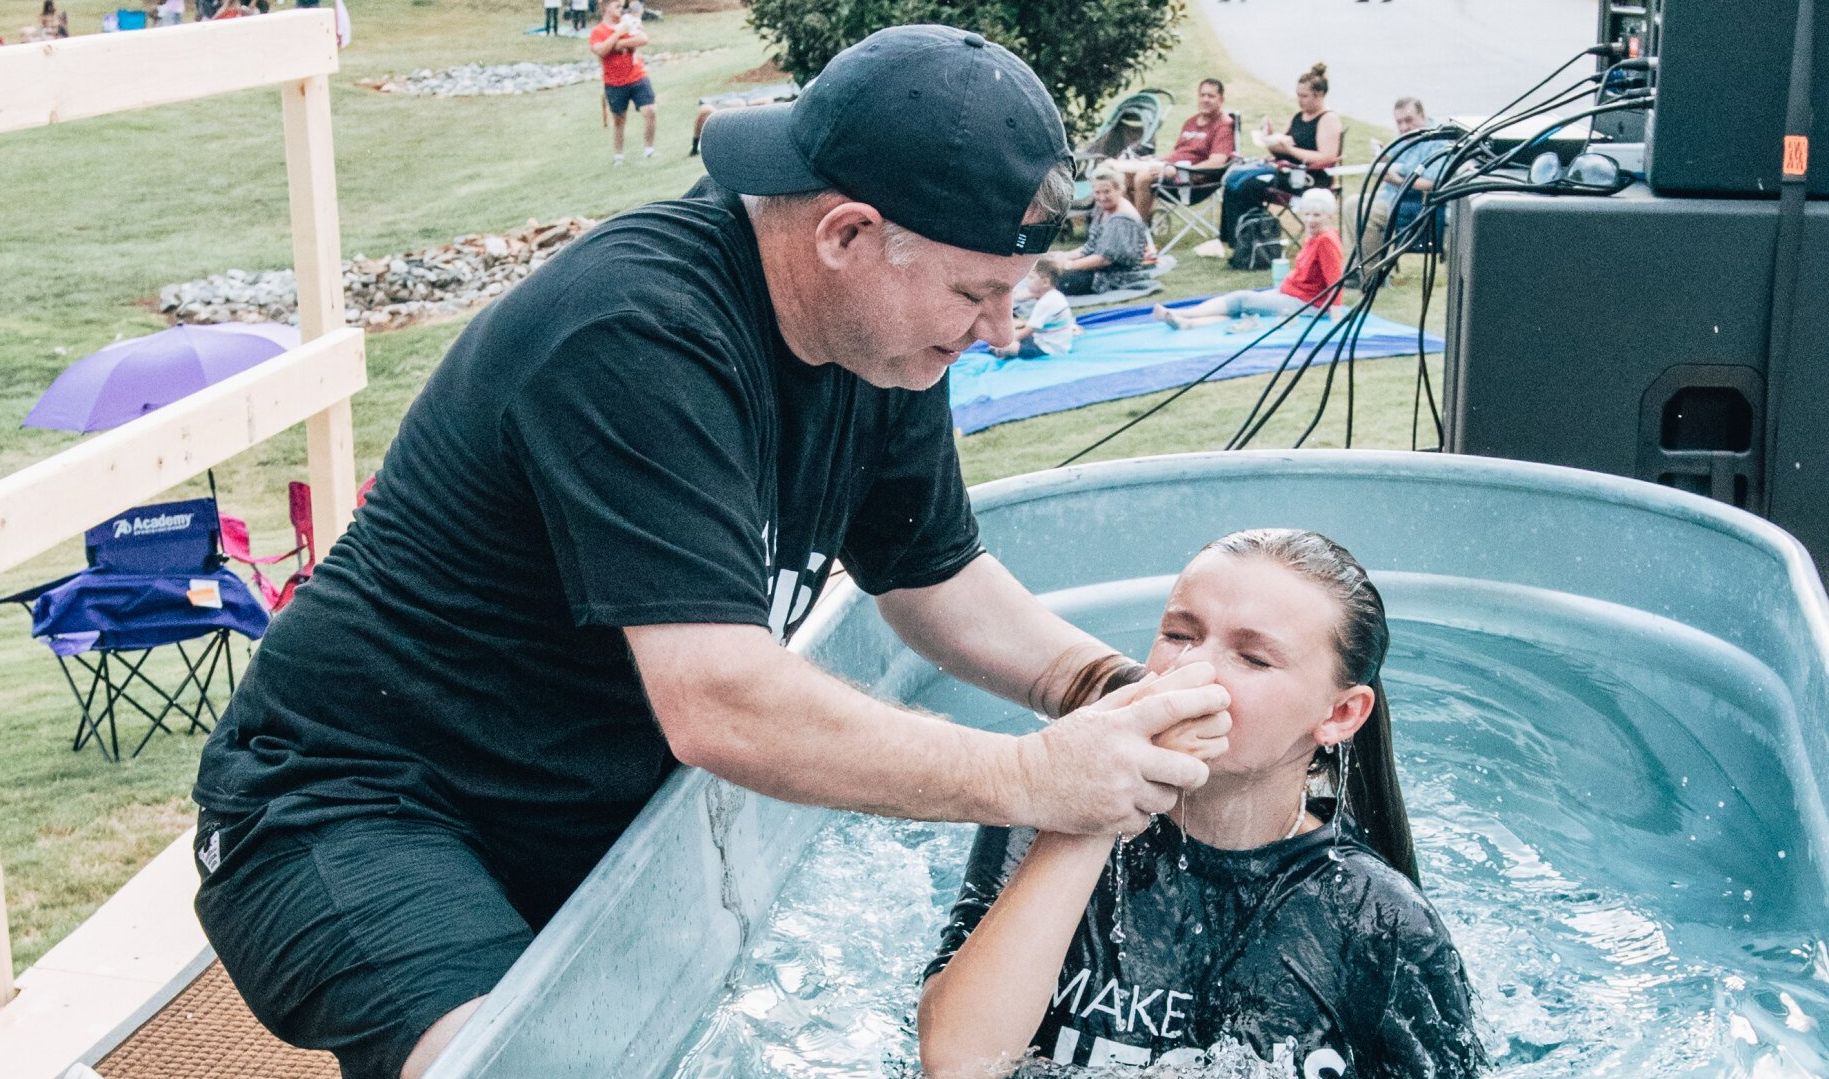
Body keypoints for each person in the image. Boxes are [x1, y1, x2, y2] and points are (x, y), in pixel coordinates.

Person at [191, 25, 1233, 1079]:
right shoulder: (638, 332)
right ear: (847, 233)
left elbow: (935, 577)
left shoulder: (879, 344)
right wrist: (1033, 775)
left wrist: (1103, 689)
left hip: (569, 809)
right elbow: (719, 700)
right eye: (976, 296)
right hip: (356, 797)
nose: (1002, 332)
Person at [918, 528, 1487, 1079]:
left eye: (1254, 658)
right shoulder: (1046, 812)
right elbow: (956, 1063)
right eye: (1179, 634)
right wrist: (1094, 804)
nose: (1192, 670)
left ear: (1340, 715)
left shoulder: (1376, 919)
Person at [1157, 186, 1341, 333]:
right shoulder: (1315, 237)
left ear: (1329, 216)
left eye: (1317, 215)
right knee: (1245, 310)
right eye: (1307, 214)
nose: (1310, 220)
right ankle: (1188, 324)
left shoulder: (1326, 241)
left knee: (1242, 299)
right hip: (1293, 293)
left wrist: (1336, 316)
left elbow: (1336, 280)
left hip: (1308, 304)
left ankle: (1183, 313)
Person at [1219, 63, 1342, 249]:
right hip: (1286, 171)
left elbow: (1326, 157)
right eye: (1298, 95)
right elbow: (1283, 147)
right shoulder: (1298, 116)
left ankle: (1250, 242)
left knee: (1248, 186)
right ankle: (1232, 240)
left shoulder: (1328, 119)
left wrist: (1291, 151)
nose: (1299, 100)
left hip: (1308, 178)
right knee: (1234, 179)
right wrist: (1269, 139)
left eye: (1304, 96)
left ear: (1319, 95)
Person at [1103, 78, 1236, 220]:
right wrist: (1157, 159)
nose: (1205, 99)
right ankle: (1130, 224)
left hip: (1192, 181)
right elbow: (1178, 153)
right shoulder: (1191, 122)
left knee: (1143, 177)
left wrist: (1177, 170)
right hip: (1171, 170)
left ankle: (1139, 231)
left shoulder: (1223, 126)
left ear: (1221, 100)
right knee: (1123, 176)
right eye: (1202, 95)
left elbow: (1217, 162)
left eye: (1211, 96)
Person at [1354, 96, 1449, 284]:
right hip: (1392, 196)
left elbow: (1432, 183)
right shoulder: (1403, 137)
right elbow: (1398, 163)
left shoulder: (1436, 141)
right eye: (1399, 122)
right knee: (1352, 204)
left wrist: (1396, 180)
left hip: (1415, 204)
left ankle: (1373, 276)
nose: (1404, 127)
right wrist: (1383, 158)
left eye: (1409, 121)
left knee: (1367, 212)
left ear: (1422, 116)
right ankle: (1360, 269)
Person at [1045, 165, 1150, 297]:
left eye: (1107, 192)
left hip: (1115, 276)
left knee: (1053, 279)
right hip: (1098, 268)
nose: (1102, 197)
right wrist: (1063, 255)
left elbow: (1104, 259)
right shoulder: (1103, 208)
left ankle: (1026, 295)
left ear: (1120, 189)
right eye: (1097, 192)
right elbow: (1091, 246)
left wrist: (1067, 265)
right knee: (1045, 269)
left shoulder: (1121, 219)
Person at [591, 0, 656, 164]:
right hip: (614, 81)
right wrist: (618, 34)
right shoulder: (598, 31)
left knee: (650, 110)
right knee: (619, 119)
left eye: (622, 6)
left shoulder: (628, 22)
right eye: (617, 6)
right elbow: (601, 50)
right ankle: (618, 155)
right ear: (606, 7)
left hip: (637, 75)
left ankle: (649, 149)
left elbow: (643, 38)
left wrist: (620, 43)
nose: (621, 10)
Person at [994, 259, 1078, 360]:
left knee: (1008, 346)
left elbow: (1028, 330)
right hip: (1049, 339)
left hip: (1048, 348)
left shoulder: (1046, 303)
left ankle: (999, 351)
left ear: (1045, 282)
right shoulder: (1053, 294)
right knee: (1011, 332)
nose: (1027, 282)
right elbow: (1020, 296)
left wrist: (1007, 342)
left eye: (1031, 278)